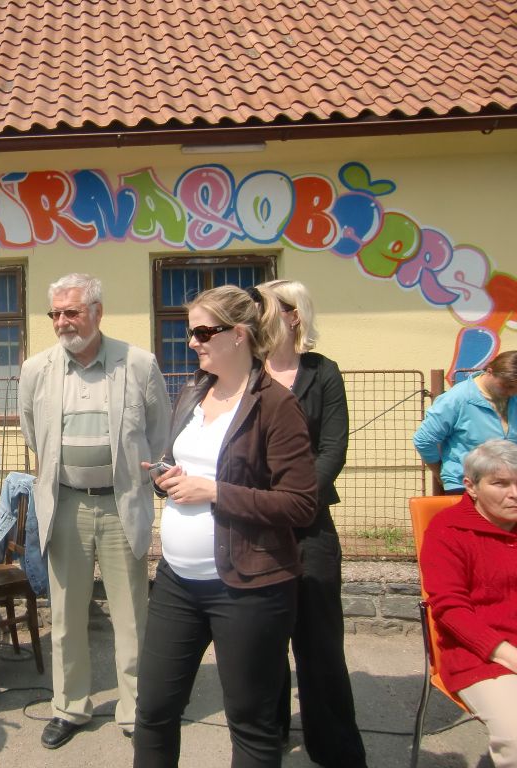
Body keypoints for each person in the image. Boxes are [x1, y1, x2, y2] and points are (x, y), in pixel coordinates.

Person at [133, 285, 317, 768]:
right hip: (177, 581)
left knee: (251, 725)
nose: (191, 341)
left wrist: (215, 491)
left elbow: (300, 504)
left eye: (201, 332)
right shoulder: (194, 391)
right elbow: (185, 465)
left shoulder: (275, 405)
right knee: (153, 709)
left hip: (248, 588)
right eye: (189, 332)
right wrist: (166, 477)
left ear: (238, 334)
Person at [19, 273, 170, 748]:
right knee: (65, 617)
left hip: (121, 505)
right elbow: (33, 434)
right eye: (56, 313)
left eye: (72, 312)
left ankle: (136, 711)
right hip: (65, 504)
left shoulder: (138, 364)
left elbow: (159, 433)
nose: (63, 322)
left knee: (131, 616)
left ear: (97, 312)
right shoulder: (36, 369)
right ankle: (70, 707)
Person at [255, 280, 367, 767]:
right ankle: (268, 735)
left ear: (293, 315)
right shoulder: (245, 371)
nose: (255, 316)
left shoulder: (323, 373)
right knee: (262, 640)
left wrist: (295, 503)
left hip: (310, 523)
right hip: (254, 523)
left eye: (264, 308)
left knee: (319, 643)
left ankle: (333, 745)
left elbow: (333, 449)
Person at [420, 439, 517, 768]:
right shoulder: (448, 531)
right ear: (471, 486)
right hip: (481, 656)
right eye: (500, 484)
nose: (514, 493)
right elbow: (451, 610)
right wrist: (509, 655)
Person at [413, 350, 517, 493]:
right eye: (506, 386)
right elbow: (424, 440)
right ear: (489, 371)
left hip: (511, 484)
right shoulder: (456, 399)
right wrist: (440, 472)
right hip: (466, 486)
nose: (512, 392)